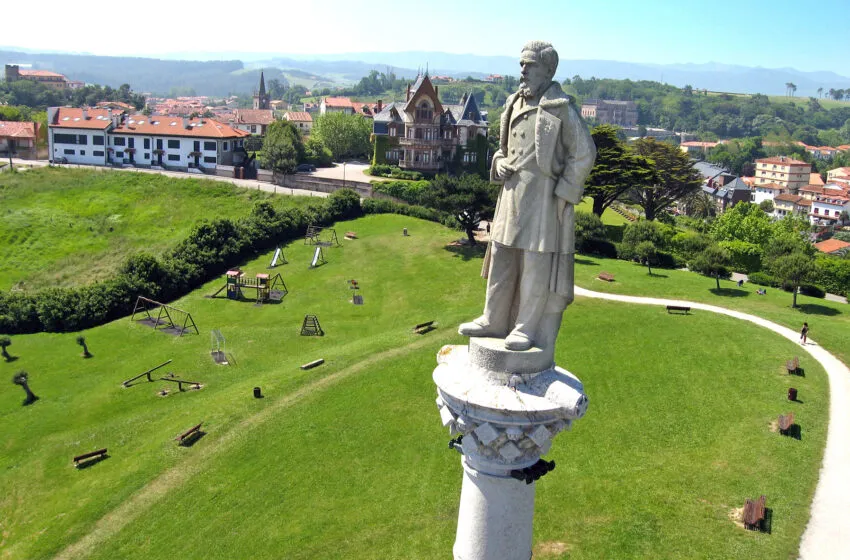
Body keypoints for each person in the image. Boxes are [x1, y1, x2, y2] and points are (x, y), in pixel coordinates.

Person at [458, 41, 596, 351]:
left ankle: (525, 328)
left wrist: (564, 194)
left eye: (530, 64)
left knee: (535, 264)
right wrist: (499, 162)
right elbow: (502, 149)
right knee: (501, 258)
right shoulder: (511, 103)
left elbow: (584, 153)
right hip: (510, 195)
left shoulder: (562, 107)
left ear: (548, 70)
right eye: (522, 63)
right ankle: (493, 318)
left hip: (543, 197)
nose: (523, 69)